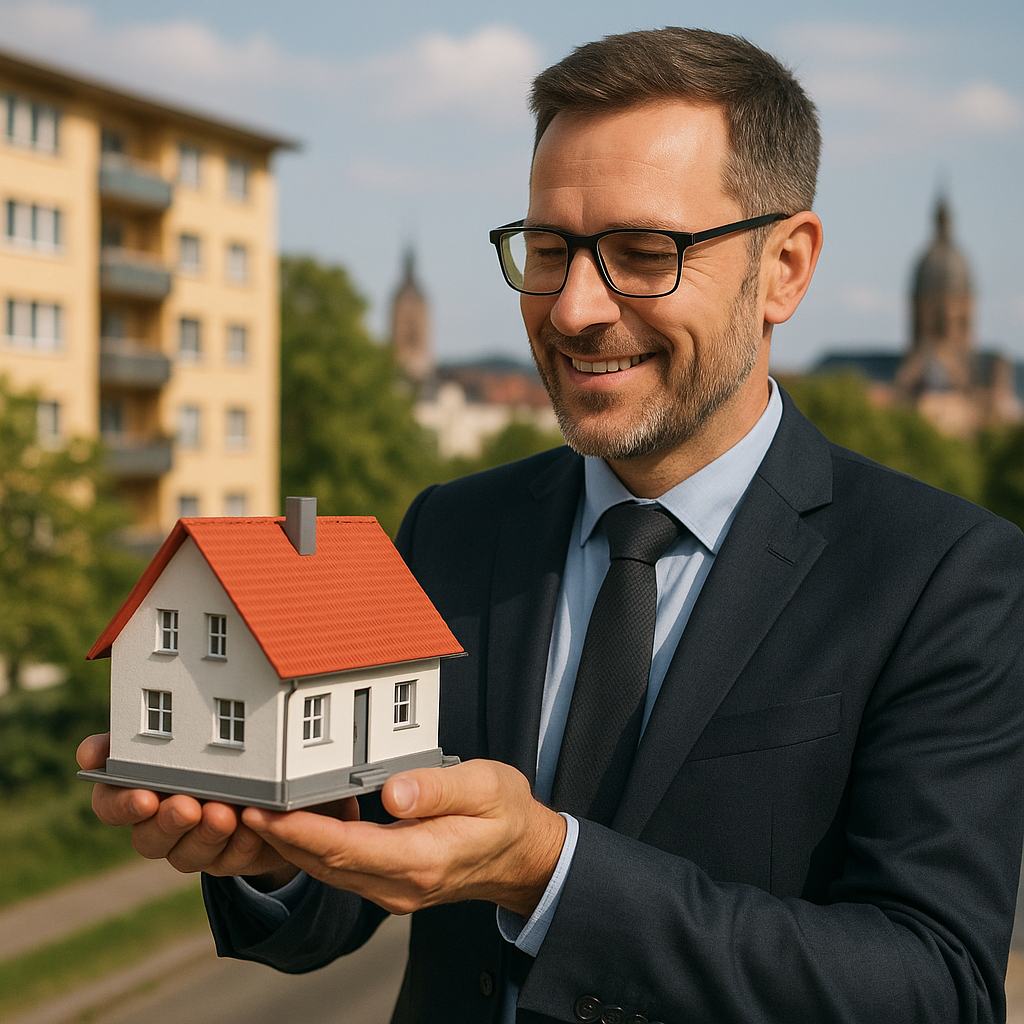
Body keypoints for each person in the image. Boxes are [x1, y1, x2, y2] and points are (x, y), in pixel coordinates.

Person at [79, 27, 1024, 1024]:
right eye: (546, 249)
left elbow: (934, 988)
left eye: (641, 253)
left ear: (784, 267)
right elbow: (354, 882)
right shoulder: (452, 527)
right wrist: (278, 853)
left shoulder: (945, 576)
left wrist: (550, 872)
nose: (572, 308)